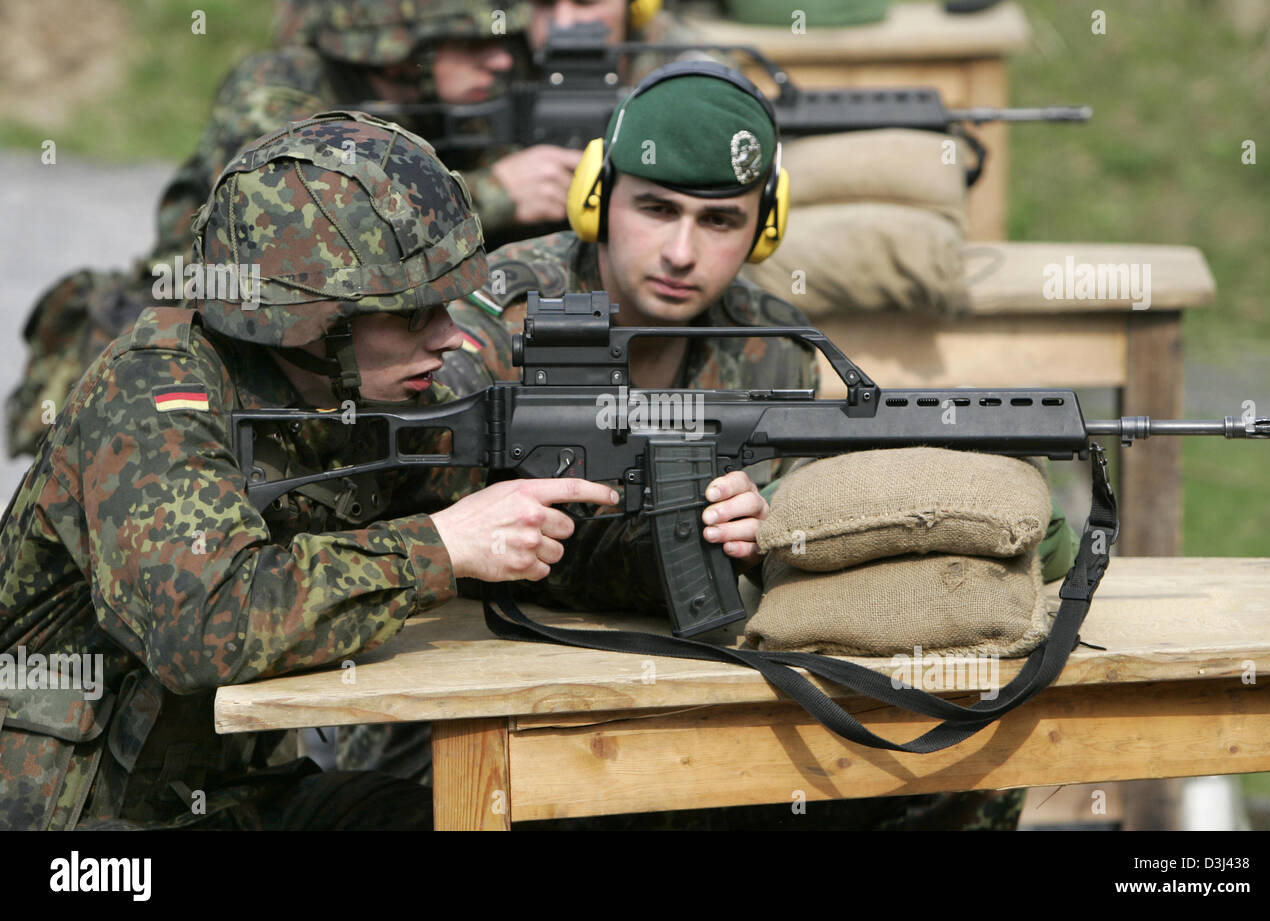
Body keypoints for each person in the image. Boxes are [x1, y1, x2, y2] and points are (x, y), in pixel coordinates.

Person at [344, 63, 1059, 830]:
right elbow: (371, 507)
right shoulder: (500, 319)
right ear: (598, 198)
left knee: (951, 765)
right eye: (655, 208)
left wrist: (770, 531)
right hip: (468, 708)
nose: (681, 251)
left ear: (765, 225)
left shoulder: (767, 342)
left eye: (718, 221)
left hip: (671, 695)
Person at [0, 112, 653, 830]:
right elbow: (203, 626)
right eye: (412, 315)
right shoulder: (155, 390)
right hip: (69, 814)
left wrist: (673, 533)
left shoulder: (354, 392)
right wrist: (434, 546)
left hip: (232, 797)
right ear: (315, 319)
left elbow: (514, 540)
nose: (449, 336)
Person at [5, 0, 574, 459]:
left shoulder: (457, 103)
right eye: (472, 44)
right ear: (396, 43)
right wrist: (496, 192)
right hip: (212, 326)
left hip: (360, 352)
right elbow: (308, 251)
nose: (499, 62)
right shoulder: (278, 91)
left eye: (503, 43)